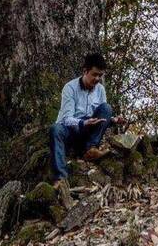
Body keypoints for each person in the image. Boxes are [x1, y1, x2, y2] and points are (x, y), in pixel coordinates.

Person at [49, 52, 125, 195]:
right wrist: (83, 122)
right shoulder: (70, 88)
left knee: (107, 108)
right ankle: (60, 178)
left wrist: (113, 120)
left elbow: (102, 115)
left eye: (100, 76)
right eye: (94, 75)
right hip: (71, 129)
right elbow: (66, 119)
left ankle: (91, 150)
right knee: (55, 129)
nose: (97, 79)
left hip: (89, 132)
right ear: (85, 71)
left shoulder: (100, 89)